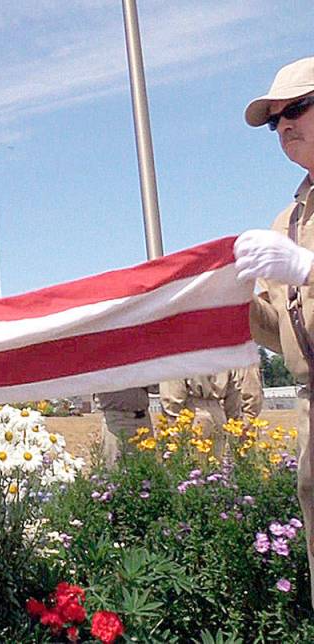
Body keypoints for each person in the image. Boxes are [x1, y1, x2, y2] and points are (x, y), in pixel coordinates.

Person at [233, 55, 314, 609]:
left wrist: (306, 270)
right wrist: (227, 301)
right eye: (274, 121)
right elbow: (277, 330)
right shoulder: (288, 222)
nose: (283, 124)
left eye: (297, 108)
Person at [159, 366, 263, 455]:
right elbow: (234, 391)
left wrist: (172, 425)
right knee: (217, 467)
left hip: (192, 414)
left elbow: (172, 395)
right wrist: (233, 422)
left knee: (191, 467)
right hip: (219, 414)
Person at [95, 387, 153, 467]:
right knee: (115, 469)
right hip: (117, 419)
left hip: (143, 419)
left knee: (148, 469)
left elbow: (155, 388)